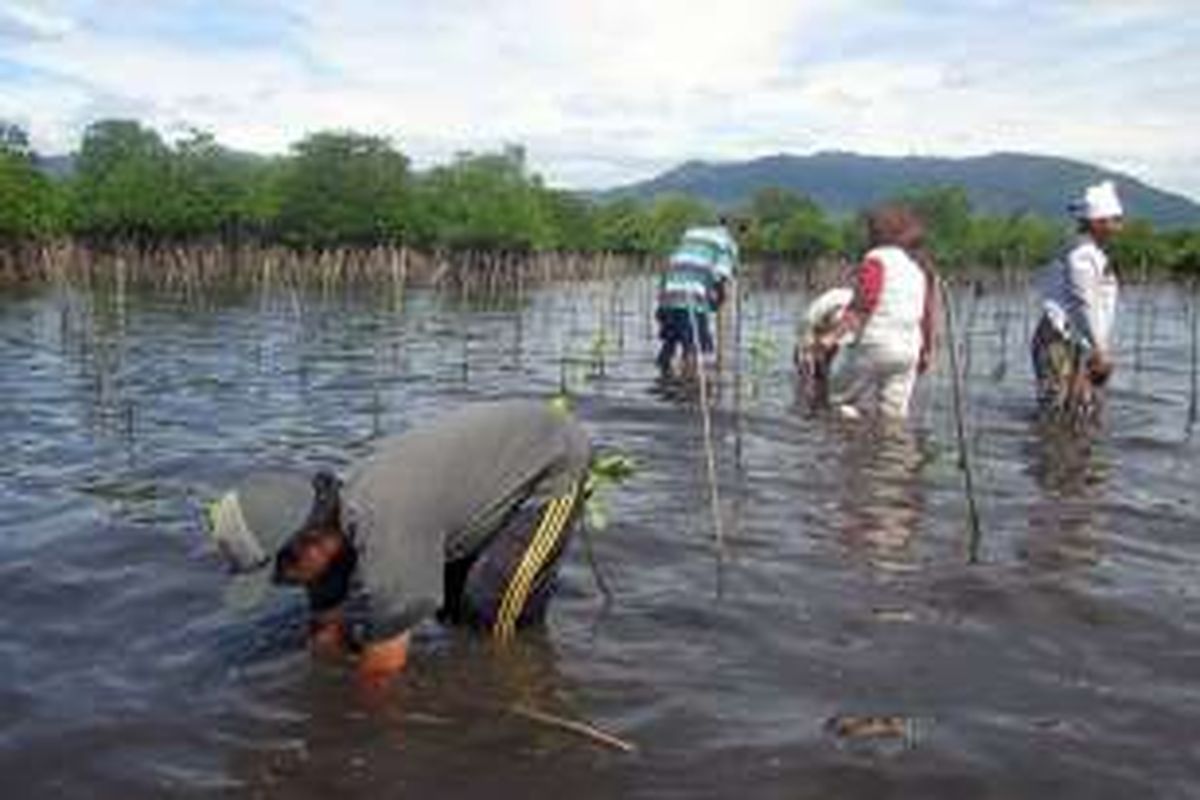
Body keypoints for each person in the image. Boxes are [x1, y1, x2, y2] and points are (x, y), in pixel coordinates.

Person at [207, 399, 591, 686]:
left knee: (493, 616)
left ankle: (522, 699)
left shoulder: (384, 532)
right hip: (470, 479)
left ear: (309, 543)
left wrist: (342, 739)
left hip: (551, 459)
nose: (281, 585)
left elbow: (382, 675)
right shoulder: (329, 526)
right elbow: (326, 624)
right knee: (450, 610)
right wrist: (323, 669)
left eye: (278, 576)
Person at [813, 205, 938, 420]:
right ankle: (893, 451)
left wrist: (831, 337)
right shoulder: (917, 268)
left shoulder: (876, 259)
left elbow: (864, 305)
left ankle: (851, 447)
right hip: (909, 352)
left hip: (875, 346)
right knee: (894, 416)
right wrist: (926, 351)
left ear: (877, 233)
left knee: (839, 401)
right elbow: (927, 316)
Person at [1031, 180, 1124, 417]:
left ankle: (1066, 451)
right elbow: (1085, 304)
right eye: (1116, 220)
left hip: (1075, 339)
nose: (1120, 227)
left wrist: (1097, 347)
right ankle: (1054, 451)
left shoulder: (1088, 252)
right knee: (1059, 409)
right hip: (1060, 339)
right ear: (1097, 223)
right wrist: (1101, 351)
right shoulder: (1082, 256)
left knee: (1078, 407)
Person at [654, 218, 740, 378]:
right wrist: (720, 299)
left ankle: (664, 383)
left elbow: (672, 263)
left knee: (670, 342)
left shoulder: (692, 233)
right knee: (694, 347)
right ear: (738, 230)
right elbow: (721, 275)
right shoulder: (727, 243)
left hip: (668, 294)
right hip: (692, 297)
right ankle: (690, 386)